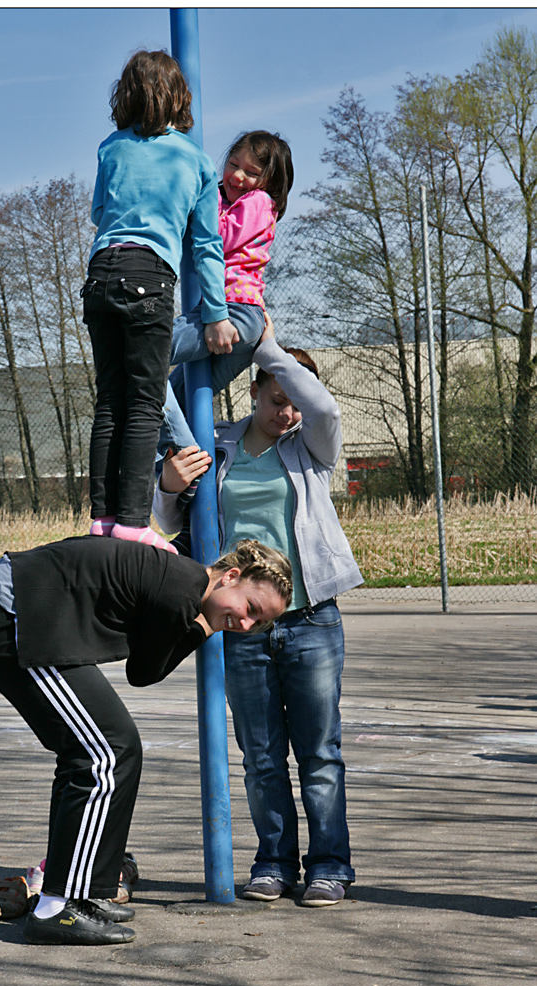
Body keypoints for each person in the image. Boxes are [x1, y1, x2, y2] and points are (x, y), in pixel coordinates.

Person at [0, 534, 292, 945]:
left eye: (260, 623)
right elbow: (145, 669)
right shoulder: (179, 591)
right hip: (3, 614)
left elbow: (143, 672)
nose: (248, 624)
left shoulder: (183, 589)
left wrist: (204, 625)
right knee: (106, 752)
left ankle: (85, 891)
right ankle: (59, 906)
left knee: (109, 749)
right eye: (251, 608)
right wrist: (203, 626)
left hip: (15, 615)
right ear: (231, 576)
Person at [153, 315, 363, 907]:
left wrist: (265, 346)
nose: (287, 412)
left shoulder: (310, 448)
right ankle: (273, 861)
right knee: (262, 755)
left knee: (320, 752)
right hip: (240, 624)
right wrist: (168, 485)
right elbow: (171, 521)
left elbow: (325, 411)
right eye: (276, 399)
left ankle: (330, 865)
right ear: (253, 392)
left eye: (293, 401)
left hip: (310, 619)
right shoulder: (215, 443)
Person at [82, 49, 237, 552]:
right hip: (148, 274)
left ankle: (104, 518)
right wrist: (215, 314)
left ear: (125, 96)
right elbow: (207, 245)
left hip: (101, 272)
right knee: (145, 403)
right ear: (179, 98)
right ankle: (131, 520)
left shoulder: (110, 147)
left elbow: (99, 211)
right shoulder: (192, 158)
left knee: (111, 400)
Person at [157, 131, 294, 503]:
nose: (237, 176)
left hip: (236, 313)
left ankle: (190, 459)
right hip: (231, 319)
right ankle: (177, 471)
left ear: (269, 182)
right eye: (233, 164)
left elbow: (218, 236)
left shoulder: (260, 203)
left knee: (145, 353)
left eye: (250, 172)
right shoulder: (224, 198)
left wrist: (190, 208)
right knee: (172, 396)